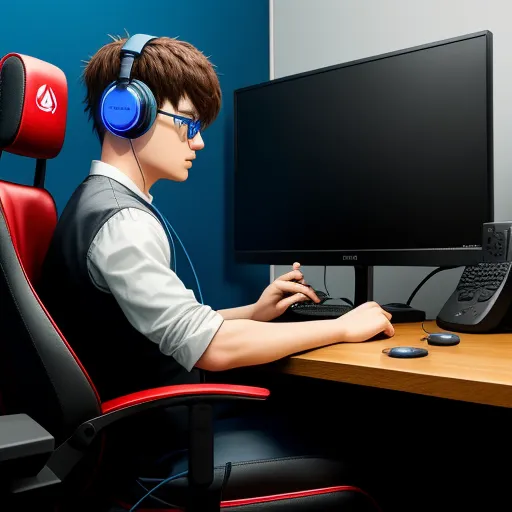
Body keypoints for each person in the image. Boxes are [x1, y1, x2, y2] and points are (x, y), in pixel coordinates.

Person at [37, 32, 395, 503]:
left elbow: (152, 331)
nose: (200, 141)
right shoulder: (122, 223)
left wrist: (253, 311)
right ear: (127, 112)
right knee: (379, 452)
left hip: (143, 435)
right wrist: (344, 327)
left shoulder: (100, 205)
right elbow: (213, 351)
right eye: (188, 122)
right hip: (152, 451)